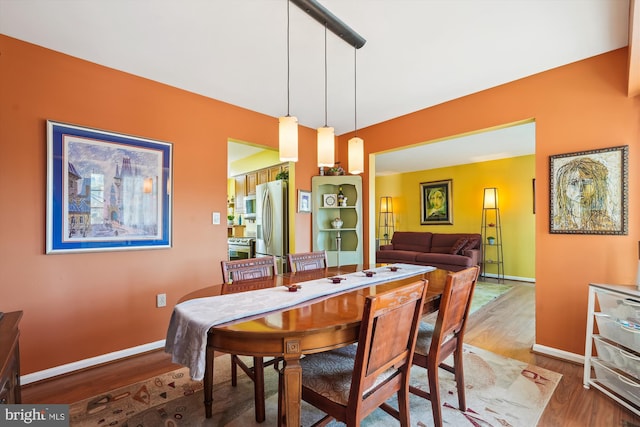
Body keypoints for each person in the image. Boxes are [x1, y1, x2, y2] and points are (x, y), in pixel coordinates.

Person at [553, 157, 616, 231]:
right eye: (573, 183)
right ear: (563, 187)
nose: (580, 189)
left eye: (586, 182)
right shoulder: (558, 222)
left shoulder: (604, 222)